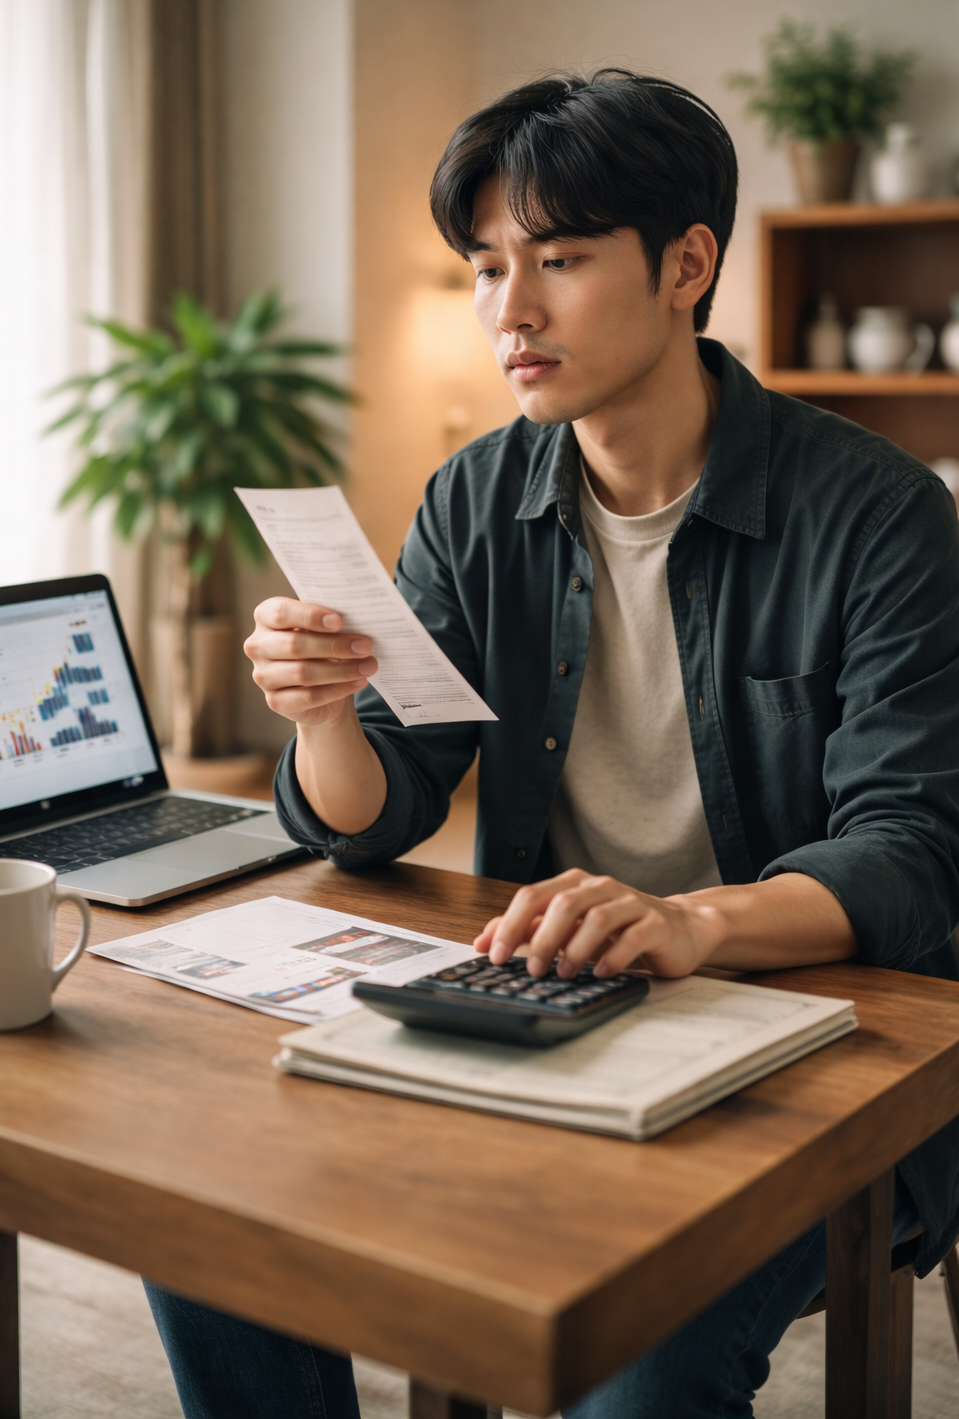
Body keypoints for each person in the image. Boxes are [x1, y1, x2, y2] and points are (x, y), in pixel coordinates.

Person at [145, 71, 959, 1418]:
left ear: (686, 265)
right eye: (485, 268)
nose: (508, 311)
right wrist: (324, 714)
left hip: (818, 1042)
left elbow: (911, 855)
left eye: (560, 260)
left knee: (639, 1365)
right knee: (206, 1204)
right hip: (550, 1007)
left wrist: (687, 922)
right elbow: (384, 808)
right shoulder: (476, 496)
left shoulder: (880, 517)